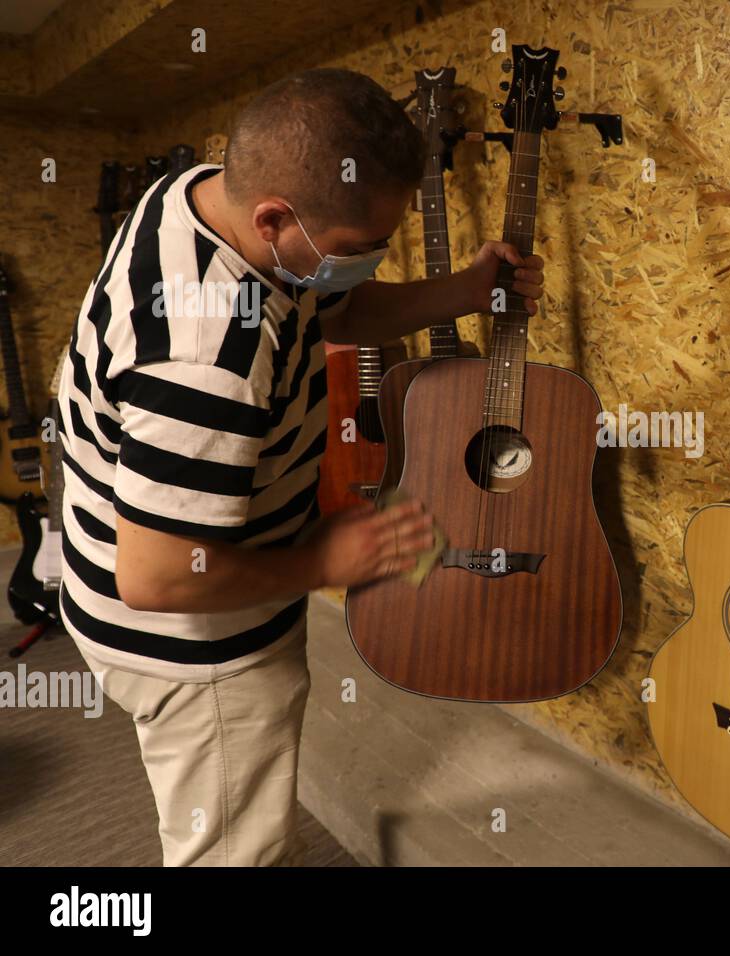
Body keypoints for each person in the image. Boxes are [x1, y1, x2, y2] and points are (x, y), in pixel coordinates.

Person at [55, 67, 544, 865]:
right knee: (231, 850)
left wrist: (468, 290)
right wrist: (322, 557)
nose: (367, 263)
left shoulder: (205, 198)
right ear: (276, 217)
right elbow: (159, 576)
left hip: (140, 570)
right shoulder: (208, 358)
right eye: (356, 250)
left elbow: (334, 304)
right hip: (192, 641)